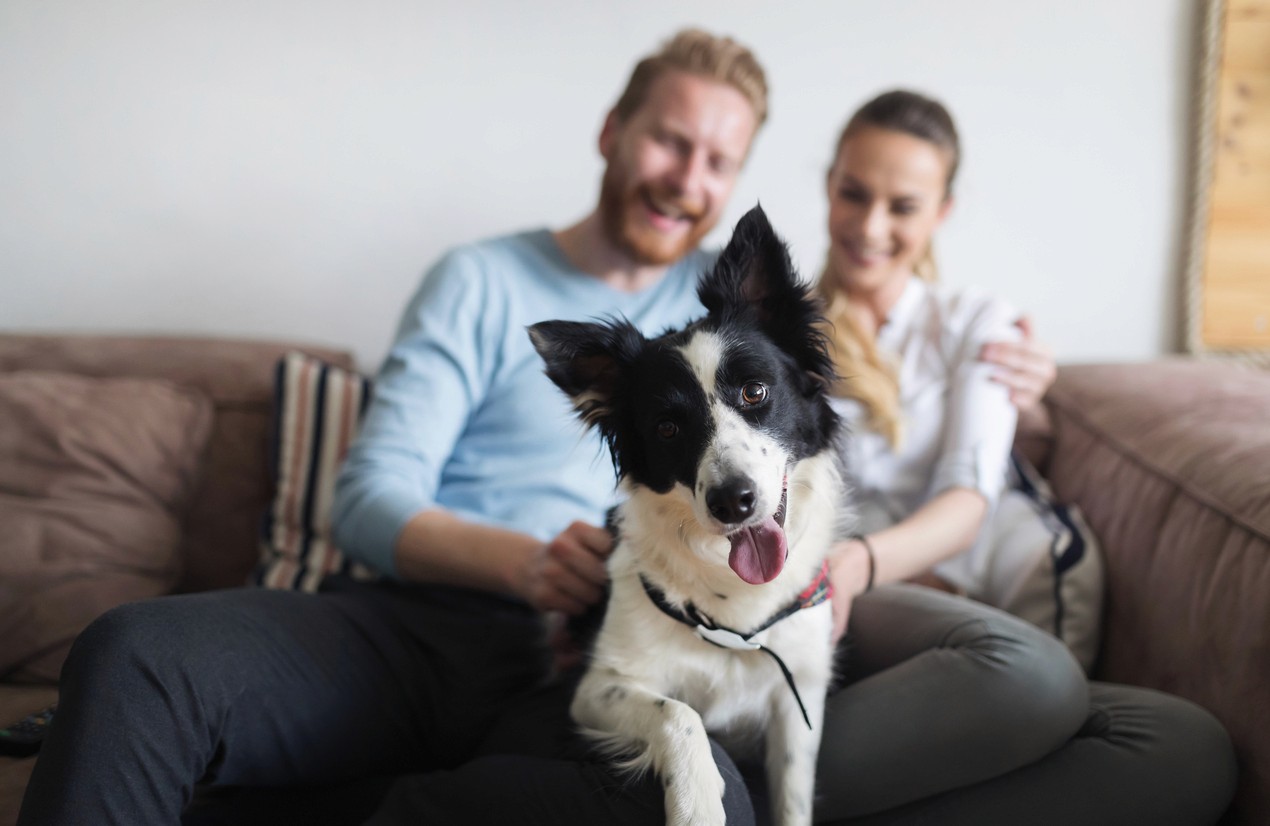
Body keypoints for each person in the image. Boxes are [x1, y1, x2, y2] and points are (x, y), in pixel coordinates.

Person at [14, 30, 1077, 826]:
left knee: (706, 806)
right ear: (614, 131)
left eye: (718, 161)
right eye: (670, 137)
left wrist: (1029, 397)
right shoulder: (482, 279)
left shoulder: (731, 329)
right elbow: (368, 494)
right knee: (135, 653)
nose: (686, 176)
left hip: (604, 670)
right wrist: (526, 565)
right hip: (421, 625)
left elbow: (862, 394)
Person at [806, 89, 1236, 824]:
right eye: (854, 194)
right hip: (845, 607)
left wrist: (868, 560)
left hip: (918, 595)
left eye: (903, 206)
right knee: (1030, 678)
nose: (871, 226)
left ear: (942, 211)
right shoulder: (779, 333)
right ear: (829, 187)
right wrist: (852, 569)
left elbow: (967, 503)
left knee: (1188, 745)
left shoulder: (978, 323)